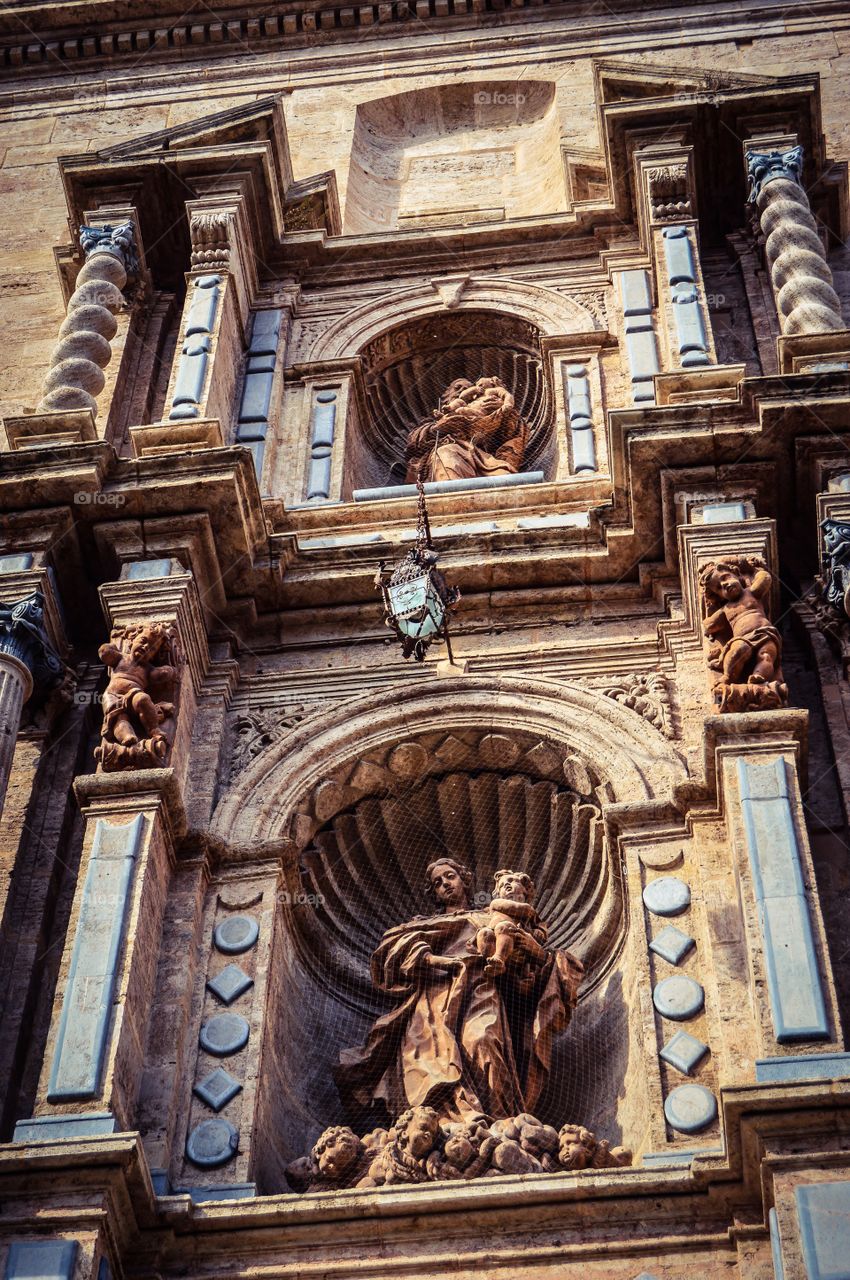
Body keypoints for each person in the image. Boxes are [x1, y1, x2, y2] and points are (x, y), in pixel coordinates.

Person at [335, 855, 584, 1123]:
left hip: (481, 989)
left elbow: (526, 970)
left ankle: (499, 1124)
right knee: (428, 1060)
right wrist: (437, 960)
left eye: (450, 877)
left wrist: (529, 952)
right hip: (433, 998)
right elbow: (392, 951)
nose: (445, 884)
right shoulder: (422, 924)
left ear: (464, 880)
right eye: (437, 883)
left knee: (483, 1041)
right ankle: (437, 1125)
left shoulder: (489, 917)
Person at [404, 376, 528, 484]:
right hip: (449, 450)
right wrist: (438, 429)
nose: (463, 390)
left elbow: (511, 433)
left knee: (504, 478)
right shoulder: (434, 419)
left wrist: (504, 413)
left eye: (469, 388)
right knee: (448, 455)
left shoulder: (485, 407)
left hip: (484, 458)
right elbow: (413, 443)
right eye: (457, 388)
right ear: (445, 396)